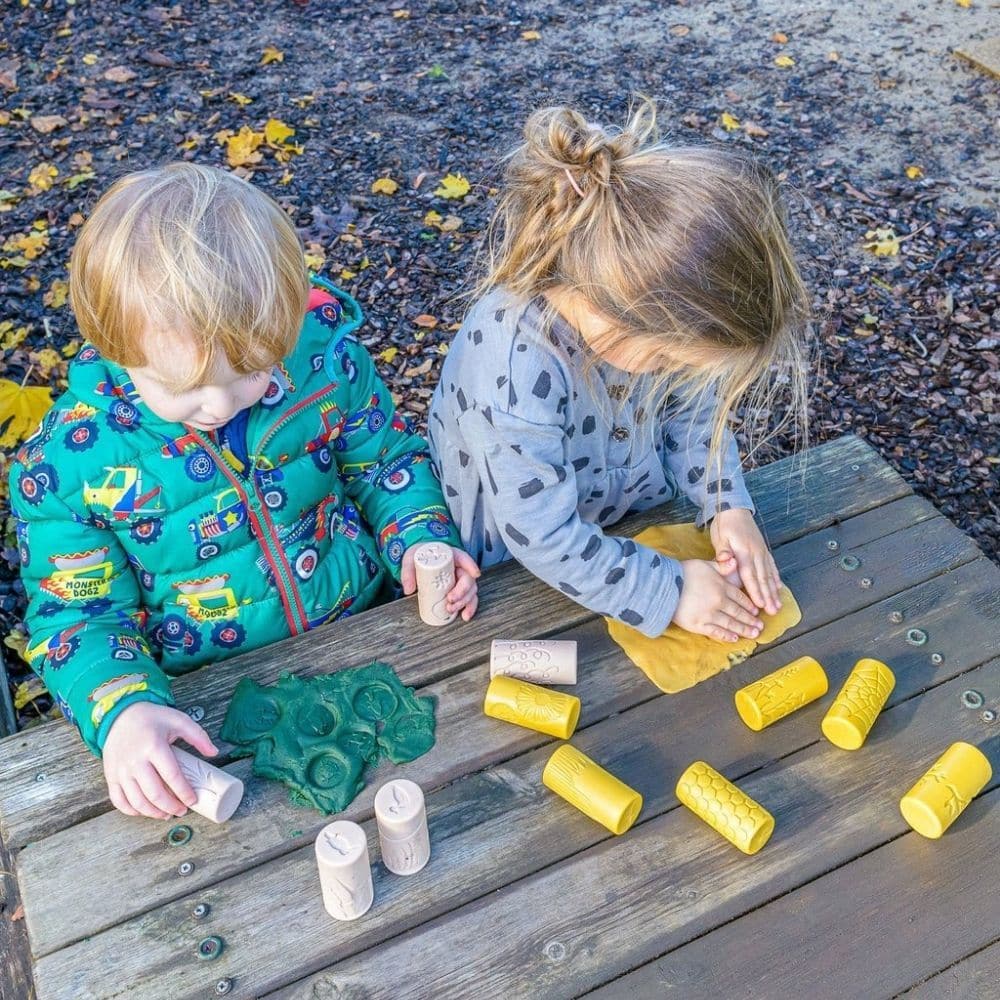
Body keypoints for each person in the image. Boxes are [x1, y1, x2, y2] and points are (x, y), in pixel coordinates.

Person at [10, 163, 479, 820]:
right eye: (182, 389)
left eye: (253, 371)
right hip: (214, 704)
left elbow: (384, 462)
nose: (221, 404)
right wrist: (123, 710)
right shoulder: (69, 471)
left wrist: (420, 533)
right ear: (114, 346)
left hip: (365, 631)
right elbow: (78, 617)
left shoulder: (322, 361)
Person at [429, 101, 809, 649]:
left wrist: (726, 504)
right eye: (667, 363)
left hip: (621, 518)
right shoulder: (513, 369)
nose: (672, 375)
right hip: (520, 569)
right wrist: (669, 590)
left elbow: (693, 412)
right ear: (625, 321)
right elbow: (541, 534)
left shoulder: (643, 306)